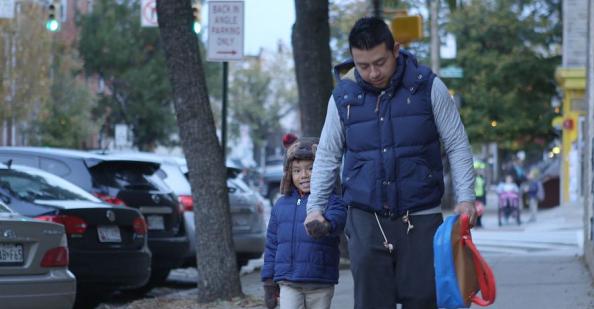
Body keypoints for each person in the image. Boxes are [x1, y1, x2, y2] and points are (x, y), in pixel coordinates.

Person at [303, 17, 476, 309]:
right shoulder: (343, 97)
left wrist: (466, 198)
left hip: (420, 218)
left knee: (423, 301)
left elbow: (458, 145)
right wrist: (315, 208)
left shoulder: (428, 88)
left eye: (380, 62)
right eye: (363, 65)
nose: (372, 72)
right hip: (365, 220)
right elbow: (328, 154)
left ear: (396, 50)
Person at [261, 137, 346, 309]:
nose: (304, 175)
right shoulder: (281, 205)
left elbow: (338, 217)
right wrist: (269, 282)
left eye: (311, 168)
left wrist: (325, 225)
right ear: (288, 174)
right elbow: (272, 245)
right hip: (288, 282)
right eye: (297, 171)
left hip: (319, 280)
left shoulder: (330, 200)